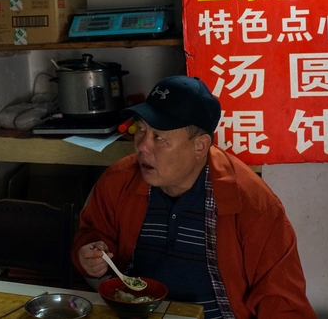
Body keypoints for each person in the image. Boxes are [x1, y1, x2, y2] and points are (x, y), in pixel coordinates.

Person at [72, 75, 315, 319]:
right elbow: (93, 236)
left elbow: (283, 303)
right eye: (141, 130)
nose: (142, 146)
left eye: (159, 137)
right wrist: (90, 256)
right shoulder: (118, 181)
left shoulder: (253, 205)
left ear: (200, 146)